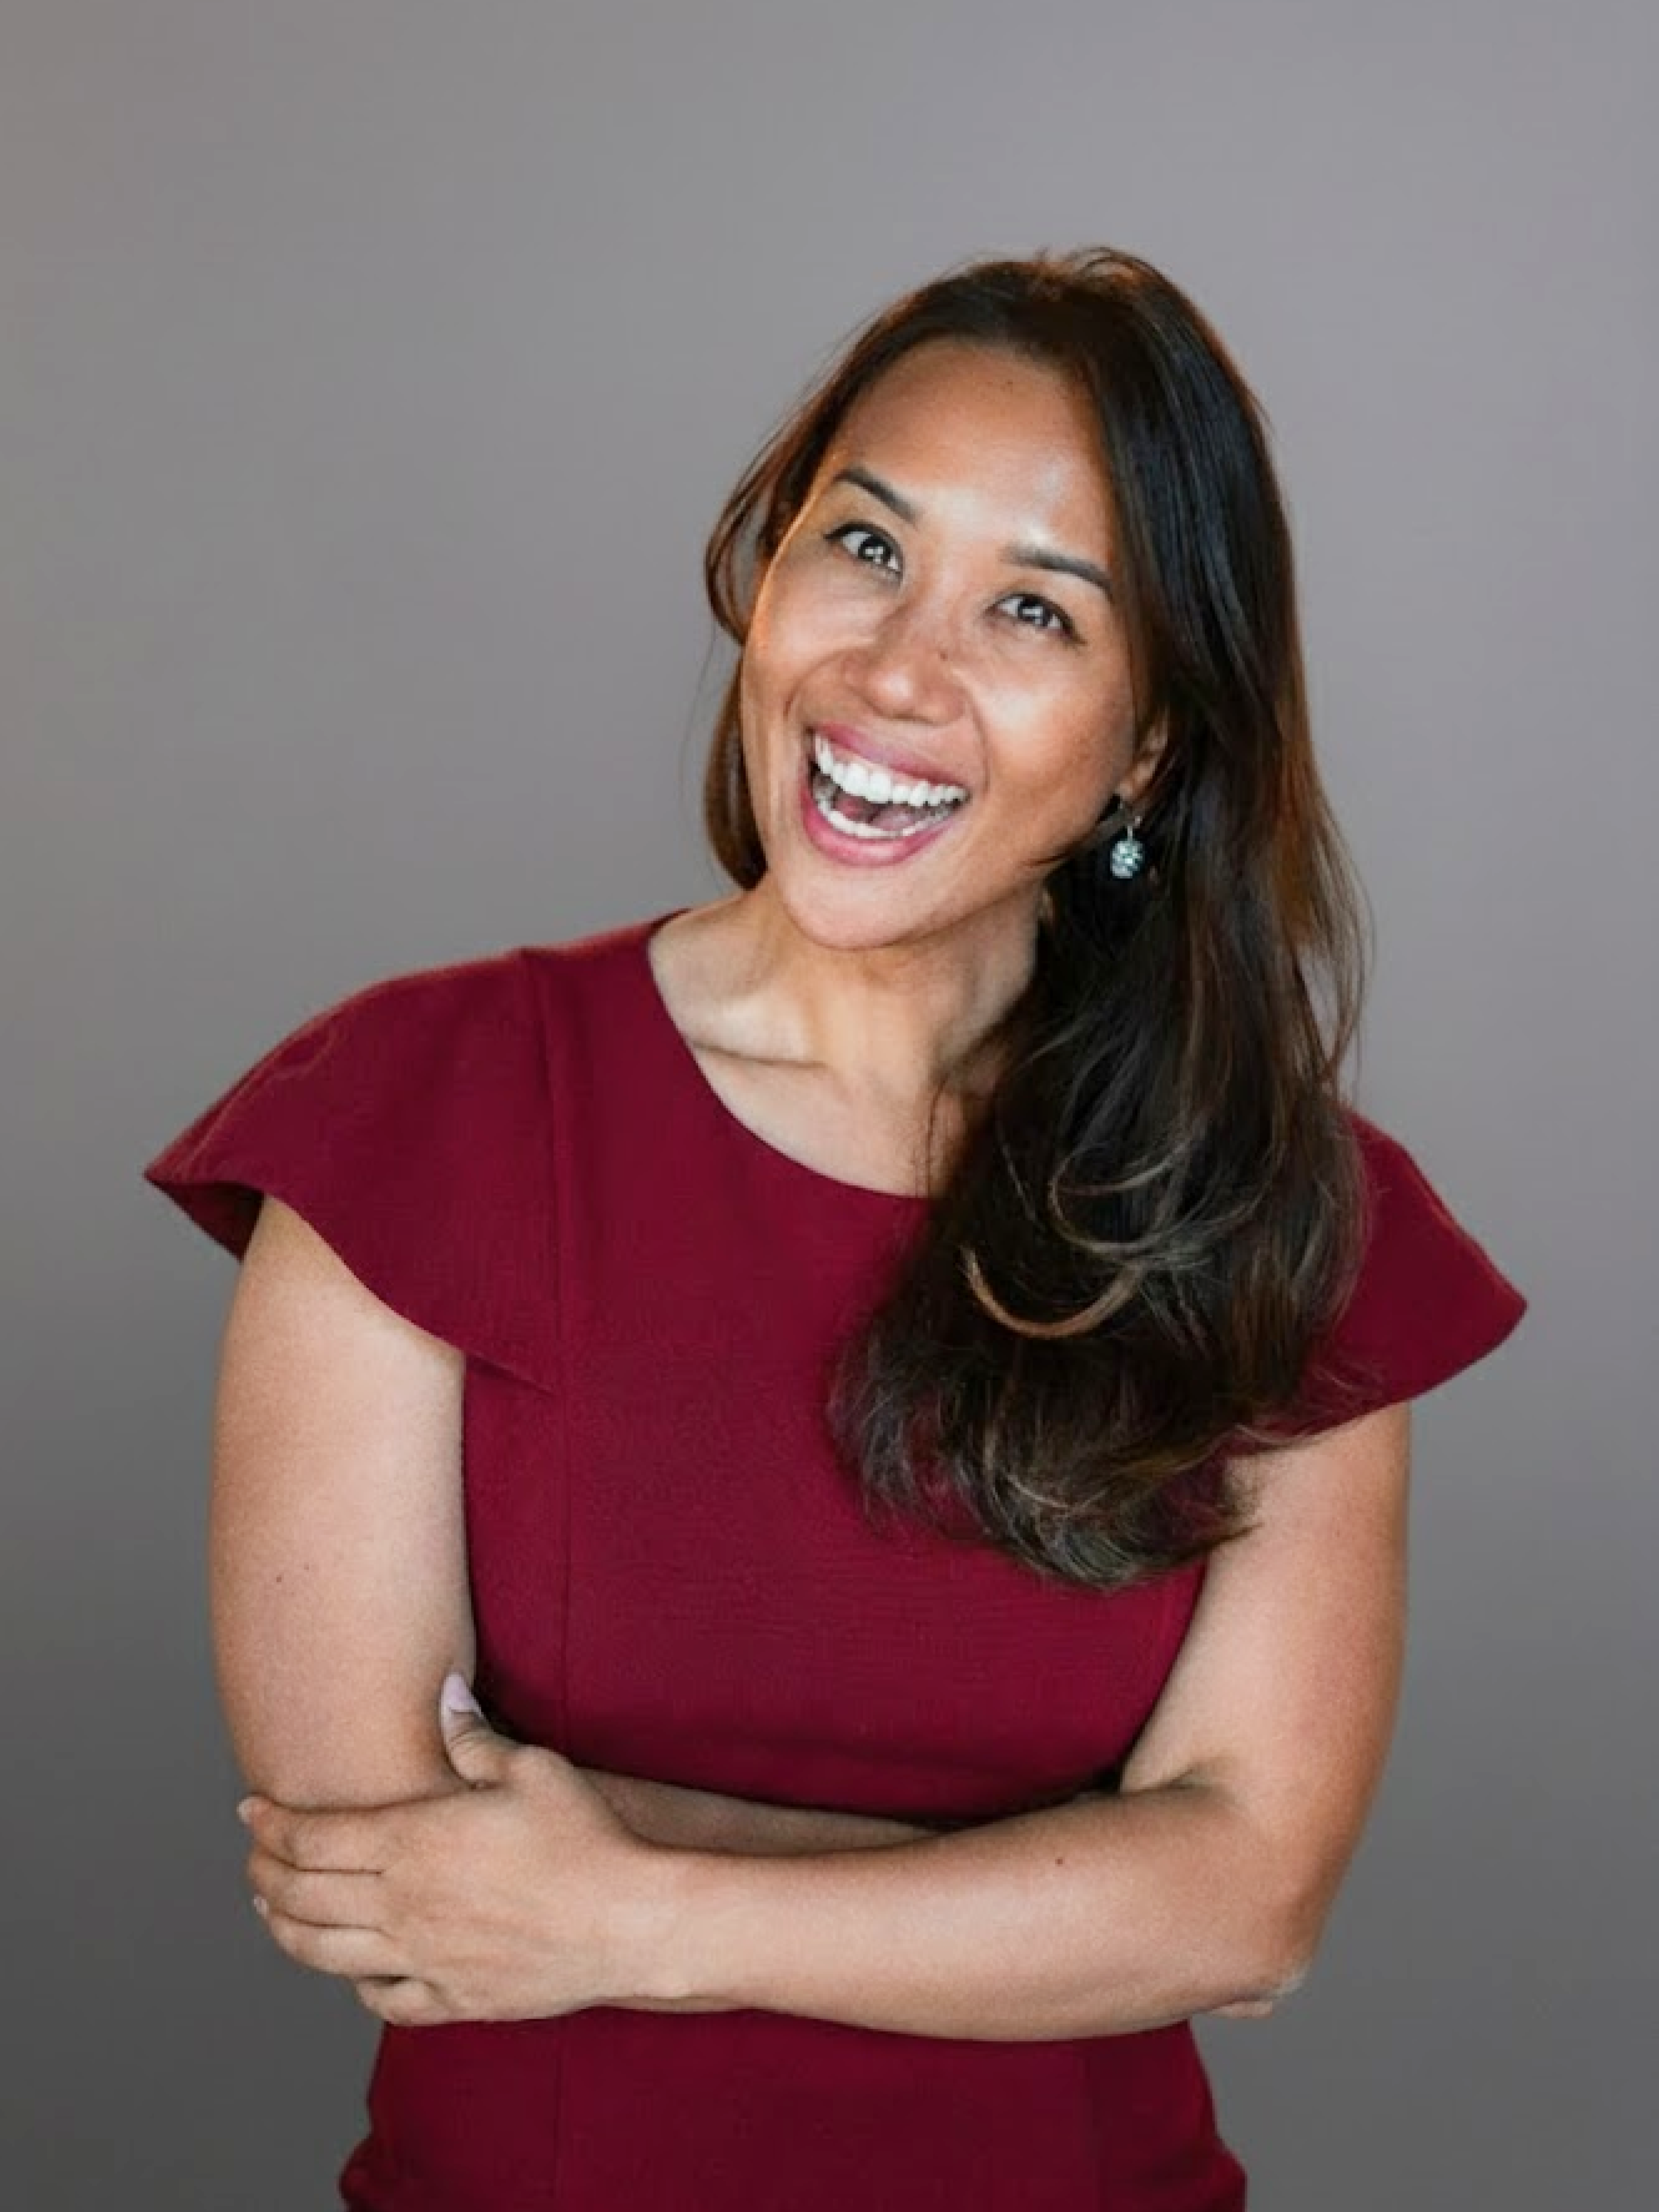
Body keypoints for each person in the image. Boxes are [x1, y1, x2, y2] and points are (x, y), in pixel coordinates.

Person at [141, 245, 1526, 2210]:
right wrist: (1064, 1886)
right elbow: (386, 1871)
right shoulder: (418, 1118)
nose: (893, 672)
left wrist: (632, 1910)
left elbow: (1246, 1907)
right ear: (768, 572)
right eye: (862, 548)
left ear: (1146, 750)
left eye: (1032, 609)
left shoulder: (1292, 1226)